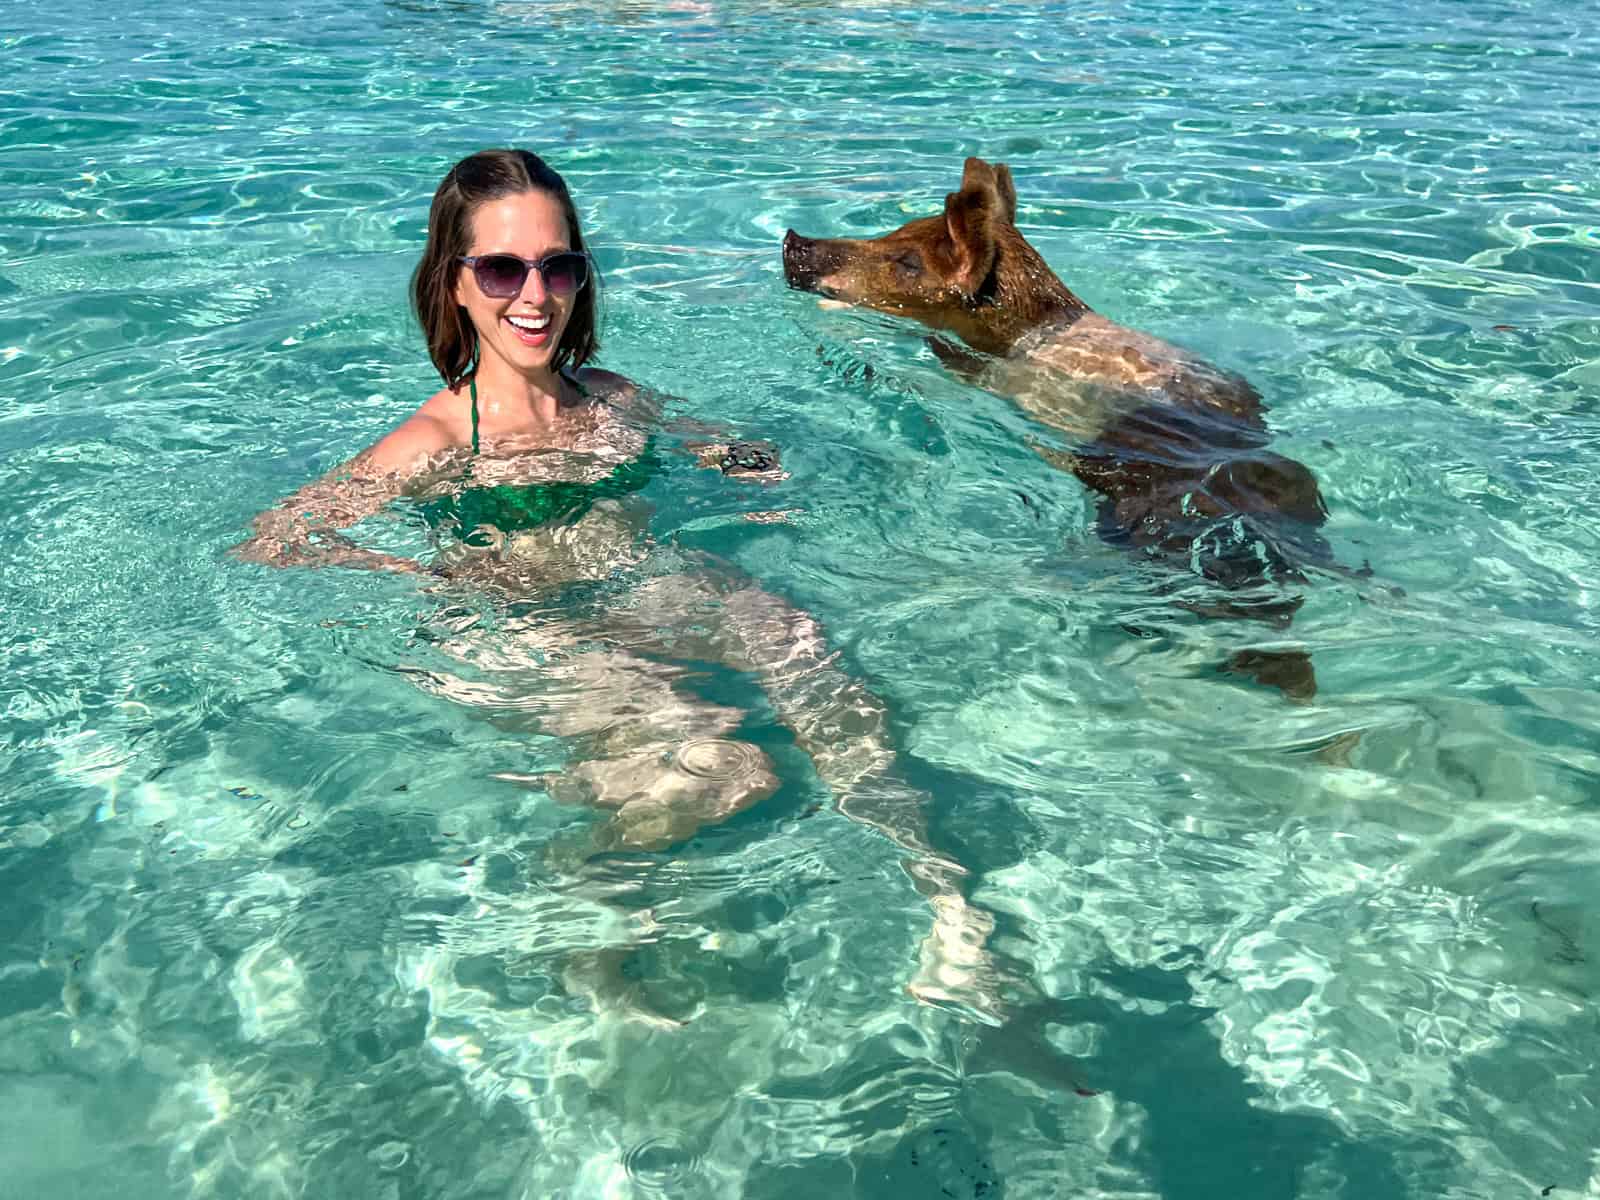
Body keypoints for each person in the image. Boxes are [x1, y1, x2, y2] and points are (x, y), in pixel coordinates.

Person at [234, 148, 998, 1022]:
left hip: (642, 585)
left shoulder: (609, 396)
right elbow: (277, 540)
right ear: (453, 284)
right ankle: (582, 885)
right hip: (528, 626)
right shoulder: (438, 438)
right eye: (502, 268)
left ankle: (949, 908)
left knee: (811, 659)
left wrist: (765, 476)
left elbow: (719, 445)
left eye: (558, 265)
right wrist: (421, 583)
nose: (534, 294)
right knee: (725, 768)